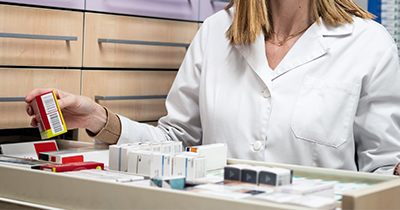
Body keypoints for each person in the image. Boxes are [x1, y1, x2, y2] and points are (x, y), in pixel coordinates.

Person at [26, 0, 400, 175]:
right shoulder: (215, 31)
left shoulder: (368, 43)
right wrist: (97, 118)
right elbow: (177, 138)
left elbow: (382, 170)